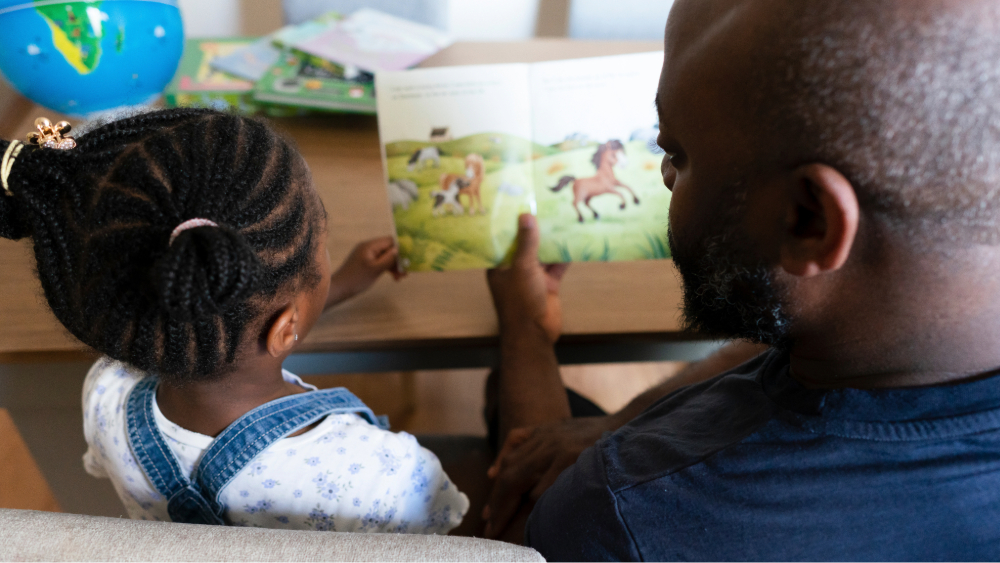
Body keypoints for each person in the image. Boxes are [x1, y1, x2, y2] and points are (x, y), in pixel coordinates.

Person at [484, 0, 1000, 559]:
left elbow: (519, 543)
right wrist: (619, 422)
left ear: (809, 220)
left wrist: (526, 334)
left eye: (677, 152)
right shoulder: (910, 320)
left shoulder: (628, 514)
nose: (663, 174)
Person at [0, 110, 468, 533]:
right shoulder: (385, 474)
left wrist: (336, 283)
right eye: (321, 244)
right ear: (286, 328)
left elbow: (226, 319)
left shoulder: (106, 392)